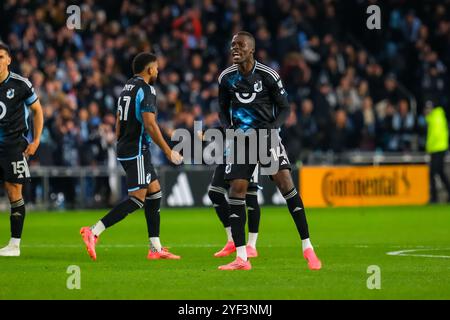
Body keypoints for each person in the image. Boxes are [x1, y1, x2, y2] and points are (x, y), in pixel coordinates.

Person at [217, 32, 321, 270]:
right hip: (241, 141)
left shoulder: (268, 75)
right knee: (237, 190)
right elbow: (222, 108)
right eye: (232, 45)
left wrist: (272, 128)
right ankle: (241, 257)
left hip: (266, 138)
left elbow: (285, 108)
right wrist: (228, 128)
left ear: (251, 49)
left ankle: (308, 247)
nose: (235, 48)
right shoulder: (226, 77)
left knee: (286, 185)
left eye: (240, 45)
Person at [80, 53, 183, 261]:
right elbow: (150, 124)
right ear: (148, 69)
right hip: (135, 148)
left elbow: (119, 118)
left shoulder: (127, 87)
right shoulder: (146, 89)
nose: (158, 71)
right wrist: (167, 151)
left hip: (129, 146)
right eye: (156, 67)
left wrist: (120, 137)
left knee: (155, 193)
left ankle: (155, 248)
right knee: (137, 200)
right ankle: (94, 230)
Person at [0, 42, 44, 257]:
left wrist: (36, 141)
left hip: (13, 145)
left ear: (9, 60)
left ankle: (14, 245)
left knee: (14, 191)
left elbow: (37, 110)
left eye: (1, 57)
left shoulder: (20, 84)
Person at [208, 164, 261, 258]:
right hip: (227, 153)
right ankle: (231, 240)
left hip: (248, 153)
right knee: (214, 193)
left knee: (250, 196)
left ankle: (251, 245)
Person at [425, 102, 450, 203]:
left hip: (438, 149)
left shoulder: (436, 117)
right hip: (438, 148)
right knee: (440, 173)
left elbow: (435, 135)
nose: (427, 110)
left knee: (432, 173)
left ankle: (434, 198)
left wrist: (428, 147)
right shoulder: (435, 117)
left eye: (428, 108)